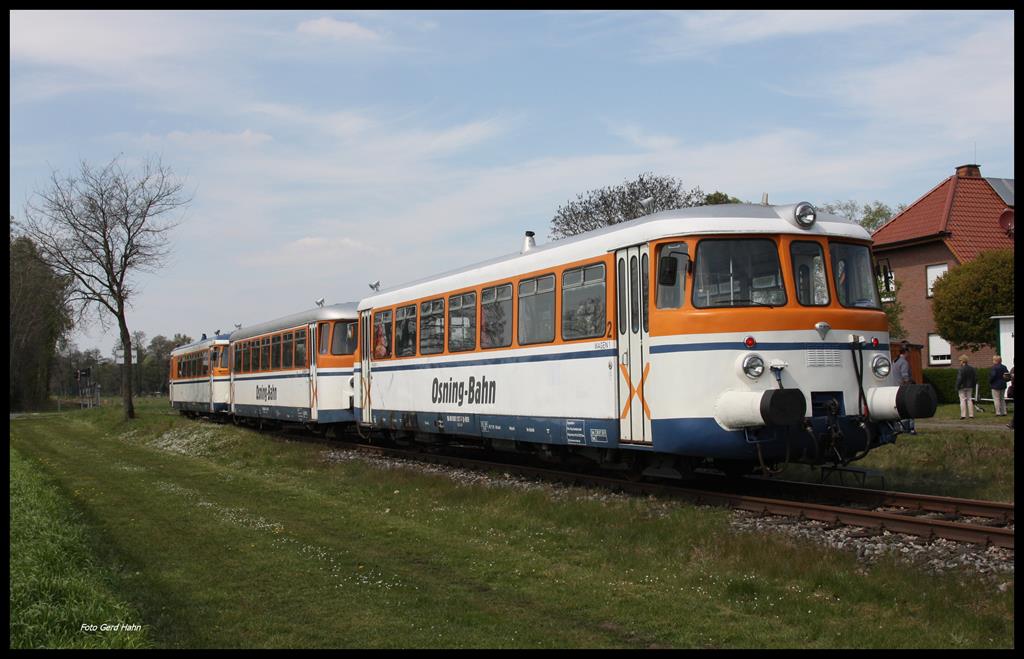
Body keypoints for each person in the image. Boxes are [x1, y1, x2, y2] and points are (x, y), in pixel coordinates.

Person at [893, 347, 916, 434]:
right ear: (906, 352)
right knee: (908, 408)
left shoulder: (895, 361)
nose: (909, 354)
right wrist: (910, 383)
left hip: (894, 388)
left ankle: (898, 428)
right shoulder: (904, 362)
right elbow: (905, 376)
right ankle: (910, 428)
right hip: (903, 388)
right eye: (909, 352)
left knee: (898, 409)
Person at [955, 355, 977, 420]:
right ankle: (971, 415)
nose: (960, 362)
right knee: (969, 399)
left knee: (962, 400)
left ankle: (963, 415)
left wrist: (957, 386)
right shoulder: (972, 368)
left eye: (960, 361)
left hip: (962, 386)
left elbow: (959, 379)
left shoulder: (961, 369)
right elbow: (975, 378)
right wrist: (973, 384)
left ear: (963, 361)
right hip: (970, 386)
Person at [1007, 365, 1015, 430]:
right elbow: (1008, 379)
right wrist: (1006, 377)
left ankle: (1012, 424)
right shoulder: (1013, 368)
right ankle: (1012, 424)